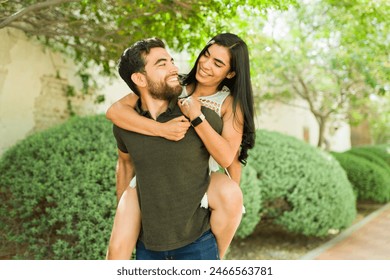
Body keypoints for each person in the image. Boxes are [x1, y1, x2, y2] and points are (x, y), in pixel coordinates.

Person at [106, 33, 256, 259]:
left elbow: (229, 159)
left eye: (218, 63)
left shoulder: (229, 104)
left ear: (231, 73)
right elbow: (115, 111)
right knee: (118, 247)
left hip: (199, 176)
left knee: (230, 194)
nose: (206, 64)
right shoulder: (175, 84)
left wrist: (231, 205)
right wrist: (162, 129)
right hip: (156, 174)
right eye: (206, 55)